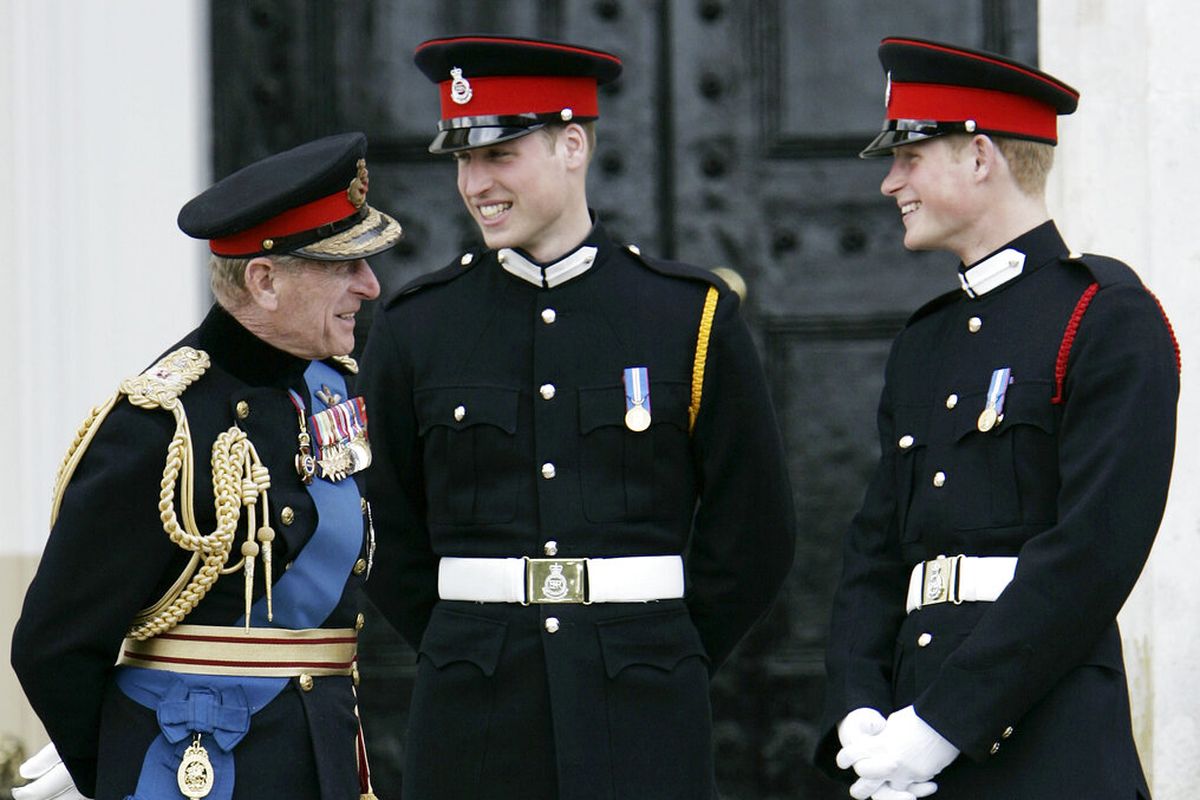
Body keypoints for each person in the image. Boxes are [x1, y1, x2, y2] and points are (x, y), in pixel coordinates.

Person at [358, 34, 796, 800]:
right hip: (473, 714)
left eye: (499, 156)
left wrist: (664, 648)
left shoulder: (686, 316)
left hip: (644, 711)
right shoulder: (417, 326)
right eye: (461, 158)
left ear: (571, 145)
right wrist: (467, 642)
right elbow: (383, 524)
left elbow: (755, 527)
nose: (474, 183)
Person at [815, 37, 1180, 800]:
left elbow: (1091, 554)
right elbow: (876, 554)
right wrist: (858, 705)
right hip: (906, 742)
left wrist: (944, 724)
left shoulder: (1104, 316)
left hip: (1046, 741)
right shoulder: (927, 340)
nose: (890, 184)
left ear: (978, 157)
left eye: (909, 158)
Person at [10, 131, 402, 800]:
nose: (369, 285)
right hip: (200, 771)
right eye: (343, 266)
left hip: (324, 761)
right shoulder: (159, 428)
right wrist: (124, 769)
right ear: (264, 280)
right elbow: (53, 648)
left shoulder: (332, 392)